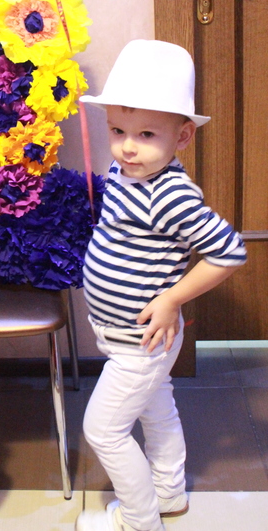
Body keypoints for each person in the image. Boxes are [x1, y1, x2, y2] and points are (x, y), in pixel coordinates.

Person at [76, 40, 247, 531]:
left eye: (146, 134)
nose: (127, 147)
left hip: (142, 342)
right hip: (125, 336)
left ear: (183, 136)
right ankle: (168, 495)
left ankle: (139, 519)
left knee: (103, 430)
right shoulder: (125, 170)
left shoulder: (169, 194)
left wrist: (172, 298)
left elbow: (230, 252)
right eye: (117, 130)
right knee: (157, 410)